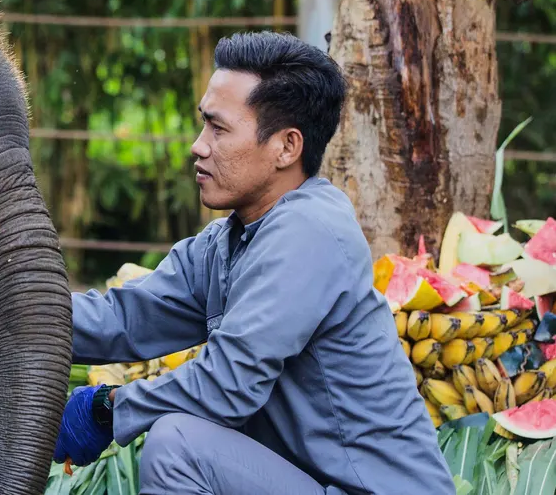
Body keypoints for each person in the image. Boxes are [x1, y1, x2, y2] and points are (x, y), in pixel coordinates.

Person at [52, 31, 455, 495]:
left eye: (219, 129)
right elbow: (123, 321)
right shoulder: (227, 241)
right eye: (203, 125)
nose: (198, 146)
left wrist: (106, 409)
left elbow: (227, 384)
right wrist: (7, 310)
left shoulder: (309, 230)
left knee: (176, 445)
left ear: (286, 147)